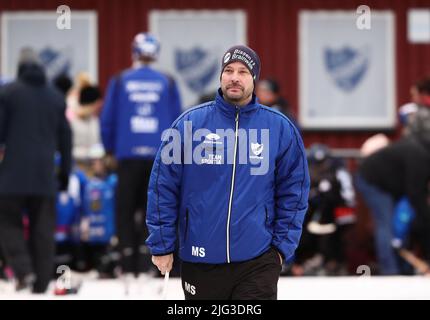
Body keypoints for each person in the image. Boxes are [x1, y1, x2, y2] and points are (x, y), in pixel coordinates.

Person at [146, 45, 310, 300]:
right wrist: (162, 244)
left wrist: (281, 248)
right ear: (221, 76)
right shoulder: (188, 124)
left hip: (258, 259)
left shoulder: (279, 128)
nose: (235, 77)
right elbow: (162, 187)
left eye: (243, 72)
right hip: (200, 259)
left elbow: (295, 191)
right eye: (229, 70)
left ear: (254, 79)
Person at [101, 32, 182, 278]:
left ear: (134, 51)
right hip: (159, 158)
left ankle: (126, 261)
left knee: (124, 210)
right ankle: (152, 262)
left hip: (126, 157)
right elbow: (178, 119)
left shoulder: (120, 80)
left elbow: (107, 120)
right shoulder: (167, 81)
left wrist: (109, 149)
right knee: (156, 209)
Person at [0, 49, 72, 293]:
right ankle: (41, 283)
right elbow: (66, 140)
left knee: (7, 222)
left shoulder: (7, 93)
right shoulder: (55, 97)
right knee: (43, 230)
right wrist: (64, 174)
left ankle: (23, 269)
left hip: (11, 175)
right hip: (44, 176)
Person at [355, 117, 430, 275]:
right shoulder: (419, 155)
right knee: (385, 222)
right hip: (371, 180)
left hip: (387, 185)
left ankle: (401, 265)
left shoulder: (419, 150)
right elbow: (415, 193)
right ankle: (390, 270)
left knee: (398, 222)